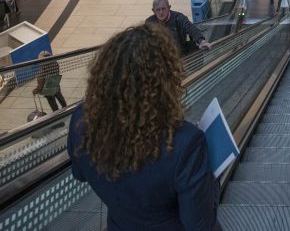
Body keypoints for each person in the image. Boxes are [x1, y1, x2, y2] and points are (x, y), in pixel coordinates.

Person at [67, 25, 220, 230]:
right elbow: (199, 224)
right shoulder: (186, 144)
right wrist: (210, 182)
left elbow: (80, 173)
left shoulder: (81, 120)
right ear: (165, 81)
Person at [146, 0, 211, 54]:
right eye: (158, 10)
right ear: (153, 11)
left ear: (169, 8)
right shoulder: (150, 22)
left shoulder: (178, 18)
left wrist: (201, 41)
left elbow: (190, 28)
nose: (161, 12)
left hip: (181, 54)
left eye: (163, 9)